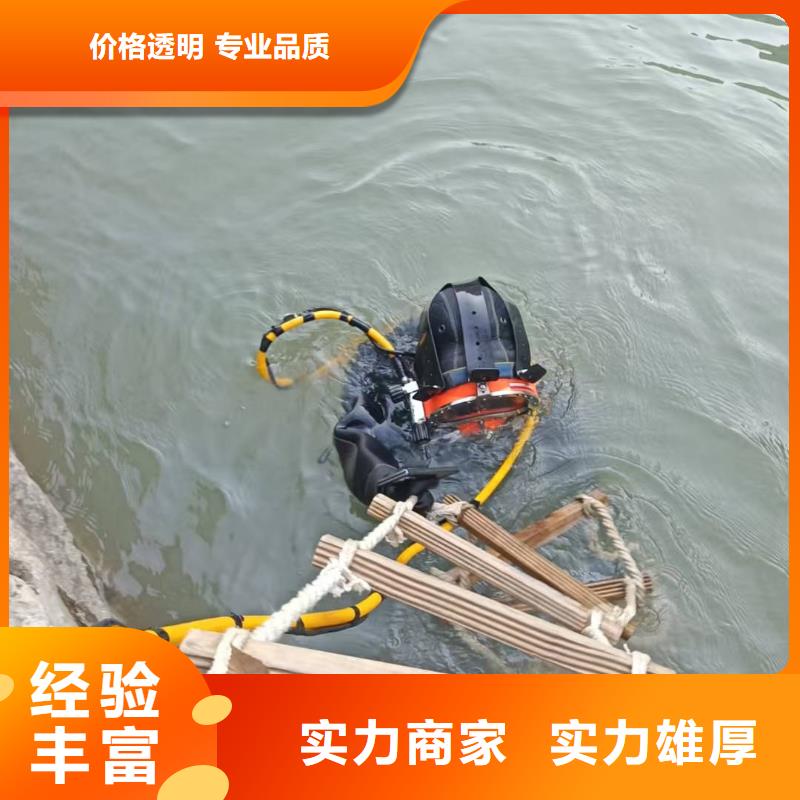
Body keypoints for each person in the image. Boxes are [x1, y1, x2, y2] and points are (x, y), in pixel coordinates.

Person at [333, 277, 546, 512]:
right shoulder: (382, 373)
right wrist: (383, 482)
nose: (486, 427)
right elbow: (355, 432)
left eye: (503, 404)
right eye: (463, 410)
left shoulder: (531, 384)